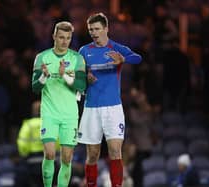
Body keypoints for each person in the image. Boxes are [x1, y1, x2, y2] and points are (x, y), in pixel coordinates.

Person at [77, 13, 142, 187]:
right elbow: (77, 76)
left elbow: (138, 58)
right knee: (92, 153)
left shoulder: (116, 48)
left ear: (106, 29)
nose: (94, 33)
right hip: (91, 108)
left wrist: (123, 59)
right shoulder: (84, 51)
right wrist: (85, 77)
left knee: (115, 151)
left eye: (97, 29)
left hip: (113, 108)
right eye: (91, 30)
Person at [31, 21, 86, 187]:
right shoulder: (42, 57)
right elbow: (34, 88)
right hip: (49, 113)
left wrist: (65, 76)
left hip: (69, 115)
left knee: (67, 158)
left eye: (68, 38)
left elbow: (82, 86)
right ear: (54, 37)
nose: (64, 41)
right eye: (61, 37)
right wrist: (43, 77)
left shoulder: (77, 58)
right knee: (49, 154)